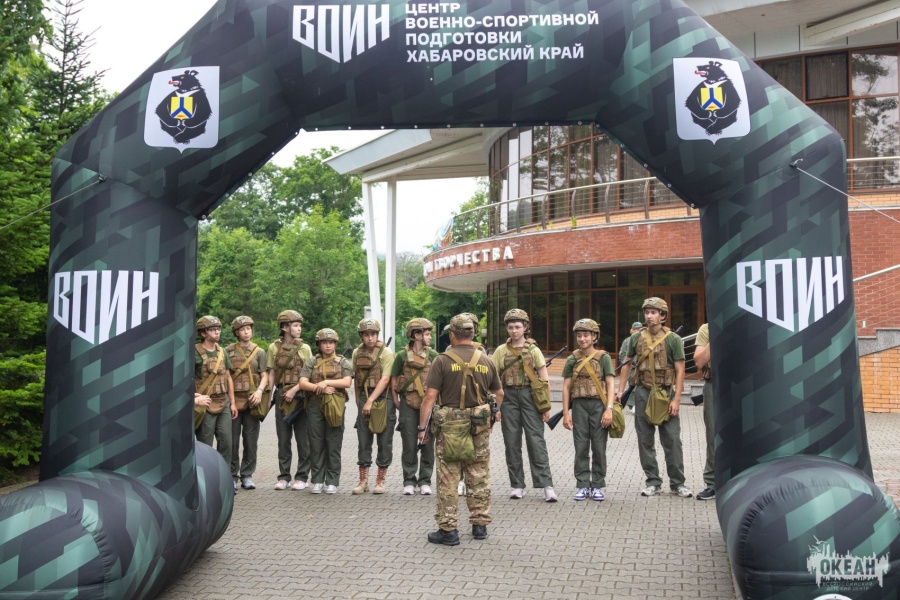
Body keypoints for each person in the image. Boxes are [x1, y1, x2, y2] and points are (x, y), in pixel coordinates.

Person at [418, 314, 504, 545]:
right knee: (479, 475)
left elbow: (429, 397)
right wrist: (491, 417)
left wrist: (422, 429)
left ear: (452, 335)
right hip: (479, 426)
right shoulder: (486, 360)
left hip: (450, 427)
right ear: (472, 333)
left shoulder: (442, 361)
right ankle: (479, 526)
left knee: (448, 477)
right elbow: (499, 393)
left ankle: (448, 530)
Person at [618, 297, 692, 498]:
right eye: (647, 312)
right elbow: (626, 364)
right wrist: (620, 390)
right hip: (642, 392)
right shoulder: (636, 338)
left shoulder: (673, 339)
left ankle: (678, 483)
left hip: (666, 393)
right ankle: (653, 481)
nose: (649, 316)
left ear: (662, 315)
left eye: (653, 312)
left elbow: (680, 370)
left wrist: (676, 399)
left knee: (672, 440)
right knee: (645, 440)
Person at [492, 308, 557, 502]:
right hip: (508, 397)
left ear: (525, 328)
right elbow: (494, 381)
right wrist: (496, 407)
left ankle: (546, 485)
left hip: (530, 396)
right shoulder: (501, 351)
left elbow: (544, 379)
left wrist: (546, 407)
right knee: (511, 442)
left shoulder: (534, 350)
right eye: (511, 327)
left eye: (517, 327)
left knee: (536, 441)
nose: (514, 331)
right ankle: (517, 485)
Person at [561, 318, 616, 501]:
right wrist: (566, 413)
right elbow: (566, 387)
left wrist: (609, 409)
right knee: (581, 447)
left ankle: (597, 485)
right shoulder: (572, 359)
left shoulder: (604, 358)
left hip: (599, 405)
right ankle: (583, 484)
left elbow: (610, 383)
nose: (582, 339)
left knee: (599, 447)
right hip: (579, 406)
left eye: (586, 335)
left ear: (594, 337)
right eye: (579, 335)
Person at [298, 328, 353, 494]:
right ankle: (317, 480)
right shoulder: (311, 361)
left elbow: (347, 382)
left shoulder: (343, 362)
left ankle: (332, 481)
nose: (328, 346)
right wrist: (319, 387)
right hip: (315, 404)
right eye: (324, 343)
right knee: (316, 443)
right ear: (319, 344)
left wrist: (327, 382)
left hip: (335, 405)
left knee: (333, 443)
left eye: (331, 342)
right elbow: (302, 383)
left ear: (335, 344)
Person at [391, 318, 439, 496]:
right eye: (426, 334)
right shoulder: (401, 356)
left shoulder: (433, 355)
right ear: (416, 335)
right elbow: (394, 378)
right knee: (409, 443)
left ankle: (425, 480)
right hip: (408, 404)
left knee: (428, 442)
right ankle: (409, 480)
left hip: (428, 405)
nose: (429, 337)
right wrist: (396, 400)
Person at [267, 310, 312, 491]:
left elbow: (309, 375)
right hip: (281, 395)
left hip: (300, 396)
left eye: (300, 325)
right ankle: (284, 476)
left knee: (303, 439)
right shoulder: (273, 348)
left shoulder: (305, 348)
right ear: (285, 327)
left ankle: (302, 477)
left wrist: (295, 390)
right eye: (295, 325)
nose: (299, 329)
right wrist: (269, 396)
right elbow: (271, 373)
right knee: (283, 438)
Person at [351, 318, 396, 494]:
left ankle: (380, 481)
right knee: (363, 439)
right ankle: (363, 481)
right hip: (364, 395)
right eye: (366, 334)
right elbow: (356, 378)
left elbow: (385, 378)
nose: (370, 338)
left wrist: (370, 401)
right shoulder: (357, 352)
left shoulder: (386, 352)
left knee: (384, 439)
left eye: (373, 334)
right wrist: (359, 400)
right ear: (361, 336)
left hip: (384, 397)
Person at [226, 316, 268, 491]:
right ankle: (231, 475)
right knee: (232, 441)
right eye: (242, 329)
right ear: (236, 332)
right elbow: (226, 376)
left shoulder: (259, 352)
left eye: (249, 328)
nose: (246, 332)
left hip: (252, 401)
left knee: (251, 440)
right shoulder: (228, 351)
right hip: (234, 402)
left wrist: (259, 391)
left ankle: (247, 475)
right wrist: (231, 401)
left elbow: (264, 374)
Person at [194, 316, 237, 468]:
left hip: (223, 401)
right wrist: (195, 399)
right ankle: (204, 474)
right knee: (205, 443)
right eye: (212, 330)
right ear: (203, 333)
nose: (217, 332)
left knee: (226, 442)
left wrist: (232, 403)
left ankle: (224, 475)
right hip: (205, 403)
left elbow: (228, 377)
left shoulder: (222, 351)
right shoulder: (194, 352)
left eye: (218, 329)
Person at [693, 323, 715, 501]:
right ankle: (713, 483)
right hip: (714, 385)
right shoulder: (707, 329)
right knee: (713, 436)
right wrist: (717, 334)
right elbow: (699, 361)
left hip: (743, 386)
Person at [618, 321, 643, 414]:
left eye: (639, 329)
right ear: (631, 330)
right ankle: (633, 405)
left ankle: (634, 405)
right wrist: (627, 364)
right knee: (633, 387)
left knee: (637, 387)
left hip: (639, 367)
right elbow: (622, 354)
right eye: (636, 329)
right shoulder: (628, 341)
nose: (638, 331)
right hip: (632, 368)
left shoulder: (643, 339)